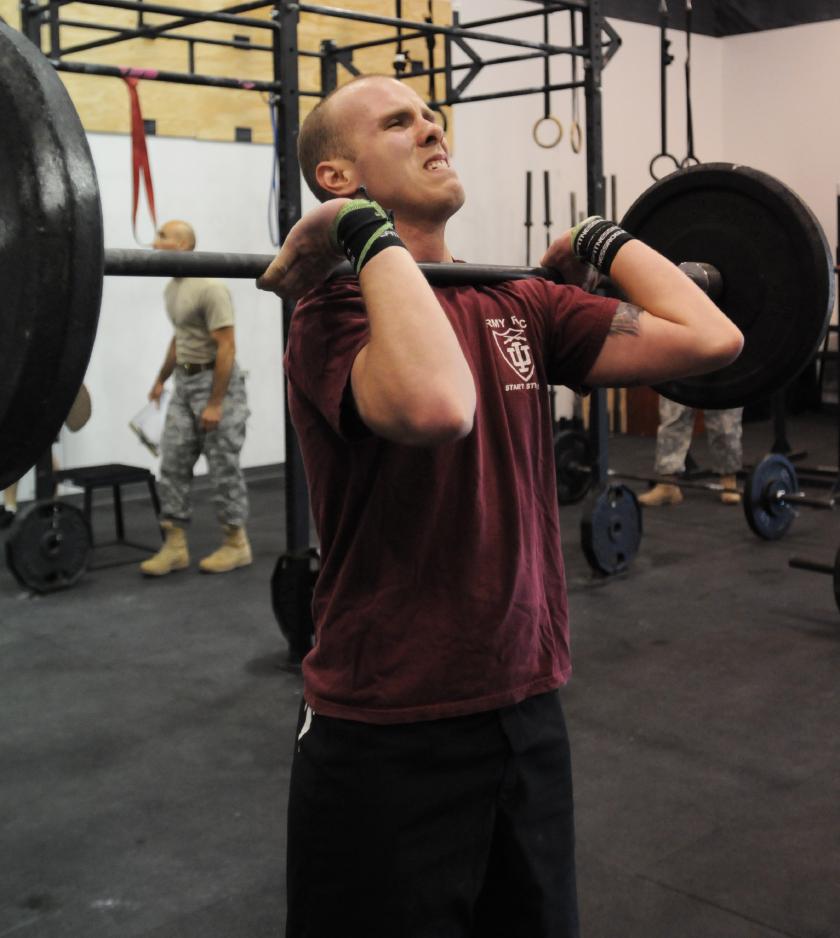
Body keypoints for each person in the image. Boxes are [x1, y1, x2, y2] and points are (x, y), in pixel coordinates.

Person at [257, 75, 743, 938]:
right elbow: (438, 407)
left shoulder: (520, 300)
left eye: (434, 116)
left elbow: (713, 338)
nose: (431, 128)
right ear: (337, 176)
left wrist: (598, 235)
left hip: (525, 703)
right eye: (400, 122)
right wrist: (357, 235)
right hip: (387, 723)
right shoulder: (331, 313)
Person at [140, 220, 251, 577]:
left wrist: (216, 403)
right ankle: (175, 548)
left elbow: (227, 346)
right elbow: (180, 338)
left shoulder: (210, 287)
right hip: (184, 384)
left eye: (163, 236)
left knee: (222, 467)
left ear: (185, 244)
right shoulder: (172, 288)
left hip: (217, 383)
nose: (154, 242)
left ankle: (236, 544)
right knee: (171, 462)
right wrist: (160, 379)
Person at [637, 398, 744, 506]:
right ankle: (668, 485)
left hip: (720, 383)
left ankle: (729, 484)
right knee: (673, 418)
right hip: (679, 381)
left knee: (725, 424)